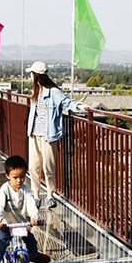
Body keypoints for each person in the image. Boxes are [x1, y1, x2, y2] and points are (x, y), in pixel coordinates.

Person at [25, 61, 87, 209]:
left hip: (49, 135)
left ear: (36, 75)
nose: (30, 77)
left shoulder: (53, 92)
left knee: (48, 166)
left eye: (32, 74)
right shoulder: (36, 91)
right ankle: (36, 195)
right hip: (34, 134)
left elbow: (66, 102)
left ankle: (50, 195)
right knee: (33, 167)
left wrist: (79, 106)